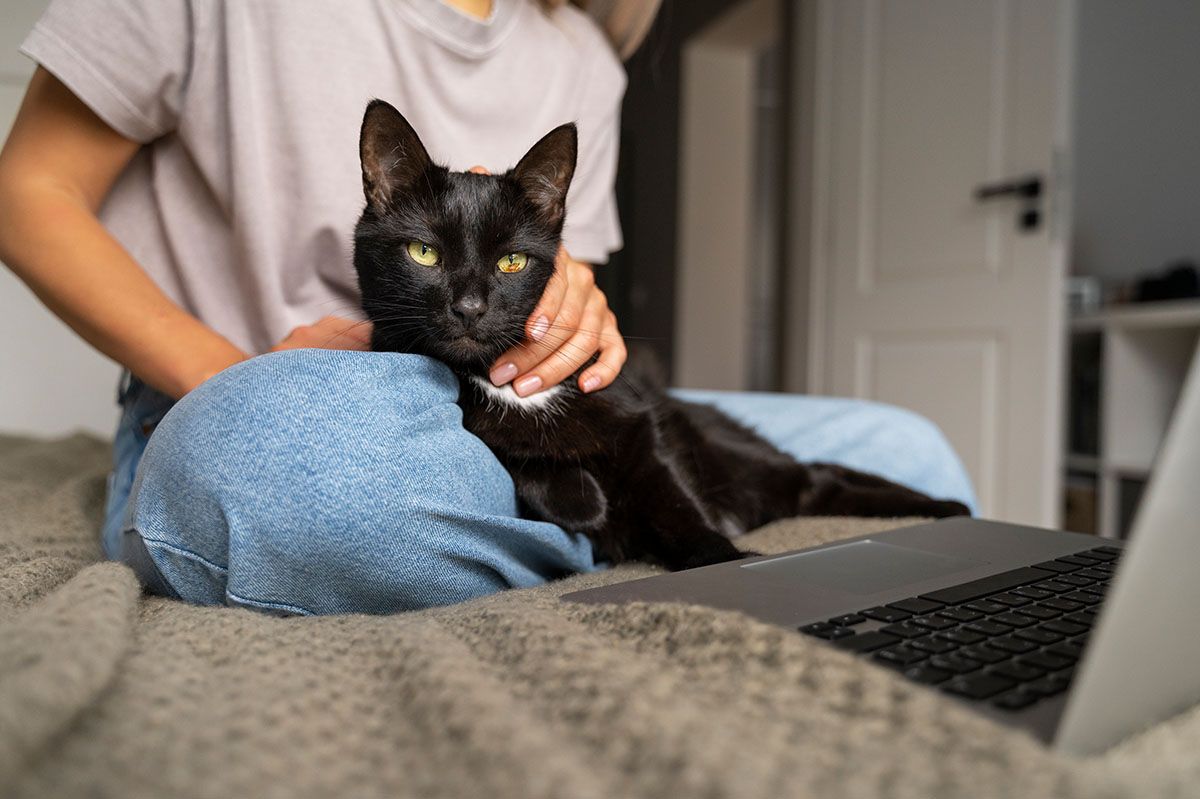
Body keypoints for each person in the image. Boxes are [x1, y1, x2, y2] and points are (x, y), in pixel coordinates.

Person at [0, 0, 975, 615]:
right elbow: (26, 191)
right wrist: (223, 372)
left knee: (912, 450)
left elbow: (554, 292)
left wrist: (576, 310)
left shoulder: (581, 55)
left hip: (506, 411)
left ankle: (581, 520)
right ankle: (620, 525)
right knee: (275, 474)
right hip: (264, 395)